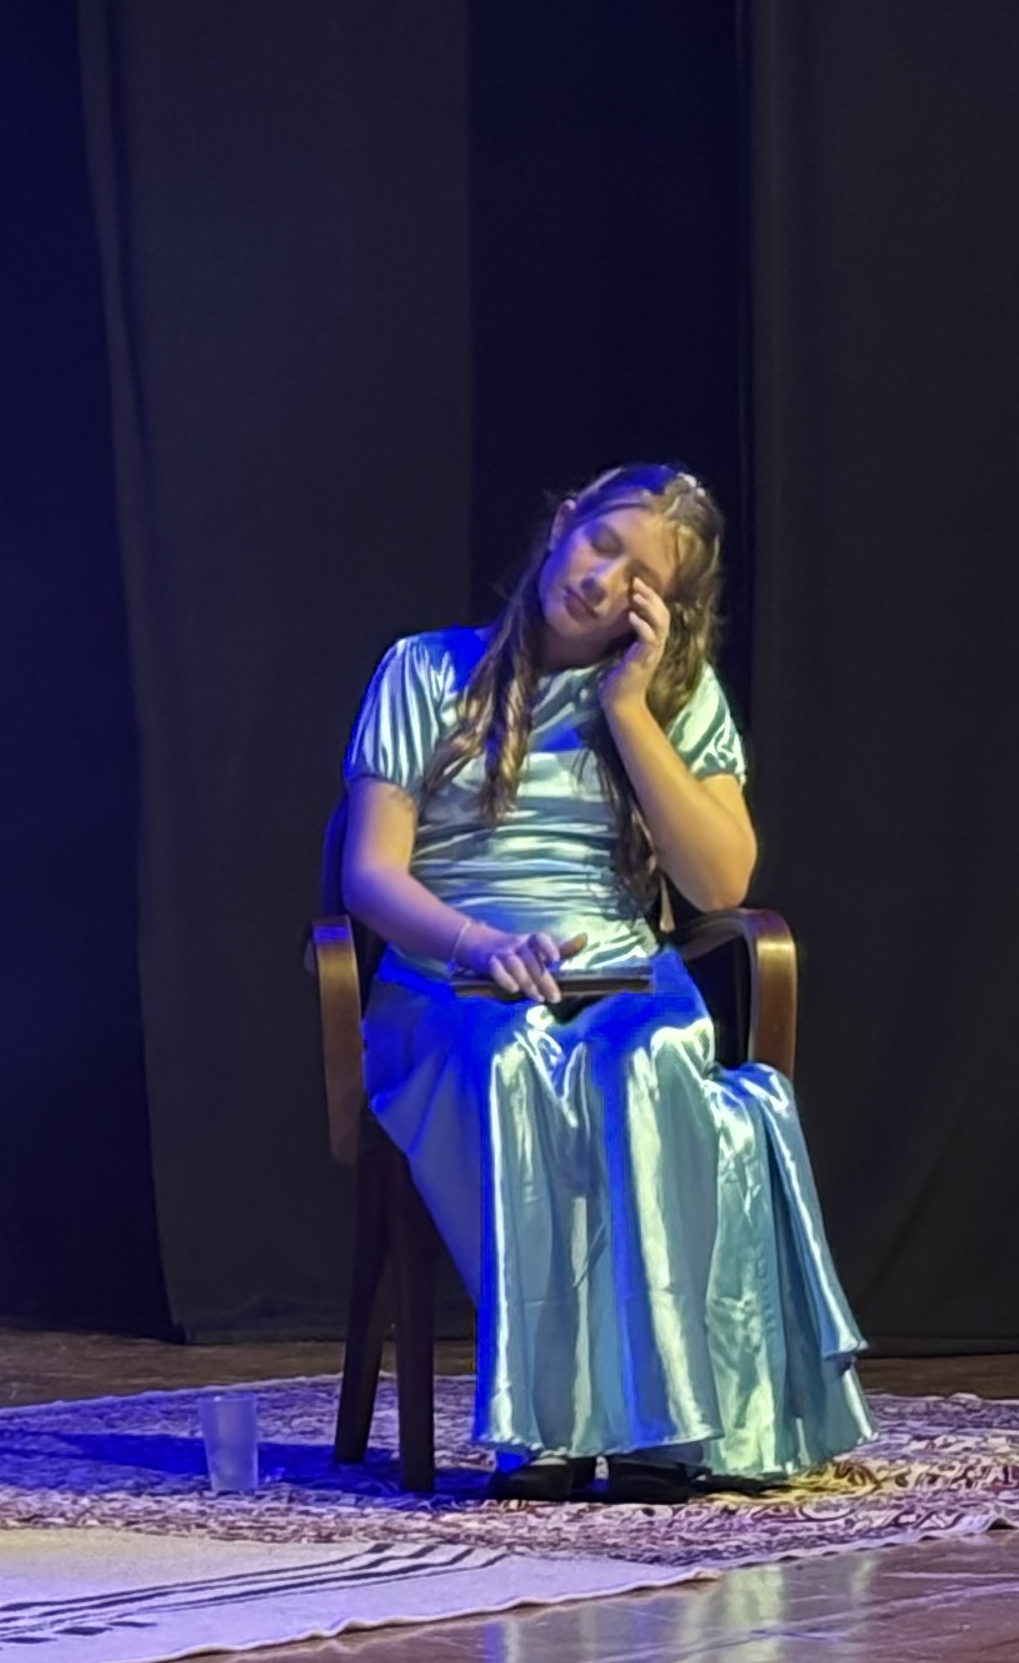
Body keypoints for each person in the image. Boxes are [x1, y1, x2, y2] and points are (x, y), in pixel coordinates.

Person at [337, 464, 868, 1498]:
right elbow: (371, 874)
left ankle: (658, 1426)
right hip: (451, 978)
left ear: (663, 610)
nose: (600, 580)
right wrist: (480, 946)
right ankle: (545, 1428)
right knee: (512, 1057)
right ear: (564, 523)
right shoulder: (424, 669)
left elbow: (720, 883)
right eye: (600, 544)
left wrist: (629, 710)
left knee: (651, 1055)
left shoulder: (675, 699)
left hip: (618, 971)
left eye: (639, 578)